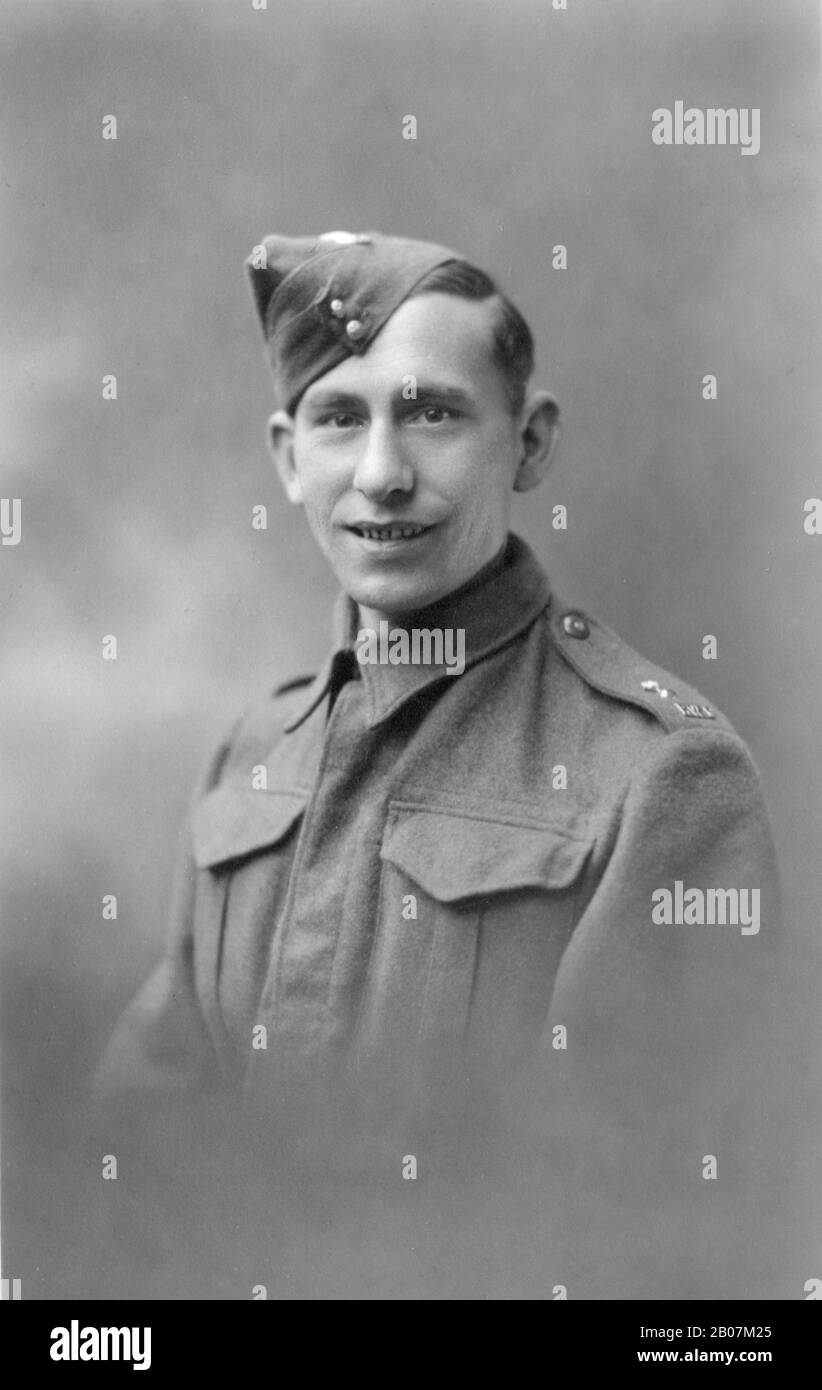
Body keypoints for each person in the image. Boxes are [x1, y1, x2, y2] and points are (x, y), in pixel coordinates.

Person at [93, 231, 783, 1296]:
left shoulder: (661, 775)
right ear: (286, 456)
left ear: (530, 441)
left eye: (432, 412)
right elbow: (144, 1141)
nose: (382, 473)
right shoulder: (253, 754)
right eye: (338, 419)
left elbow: (655, 1233)